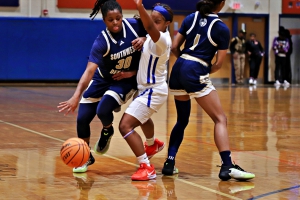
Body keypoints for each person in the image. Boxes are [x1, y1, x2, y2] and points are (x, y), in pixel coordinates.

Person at [163, 0, 255, 181]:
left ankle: (169, 162)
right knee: (220, 119)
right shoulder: (221, 28)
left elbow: (174, 47)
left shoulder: (191, 17)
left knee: (181, 120)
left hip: (177, 68)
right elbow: (218, 64)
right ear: (221, 4)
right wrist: (202, 69)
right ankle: (227, 165)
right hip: (196, 69)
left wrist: (185, 63)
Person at [57, 0, 148, 173]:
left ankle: (107, 130)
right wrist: (76, 96)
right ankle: (85, 156)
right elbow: (89, 72)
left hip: (125, 80)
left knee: (103, 110)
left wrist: (145, 38)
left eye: (118, 18)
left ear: (122, 16)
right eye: (110, 19)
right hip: (103, 79)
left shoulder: (136, 26)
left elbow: (158, 34)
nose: (115, 22)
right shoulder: (101, 41)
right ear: (104, 20)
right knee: (82, 118)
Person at [118, 0, 173, 181]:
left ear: (167, 24)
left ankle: (146, 167)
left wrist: (139, 7)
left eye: (158, 21)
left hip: (153, 90)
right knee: (142, 118)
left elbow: (149, 28)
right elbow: (149, 36)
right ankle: (152, 145)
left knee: (125, 126)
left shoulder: (162, 39)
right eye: (152, 19)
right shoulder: (152, 37)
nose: (152, 23)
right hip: (146, 88)